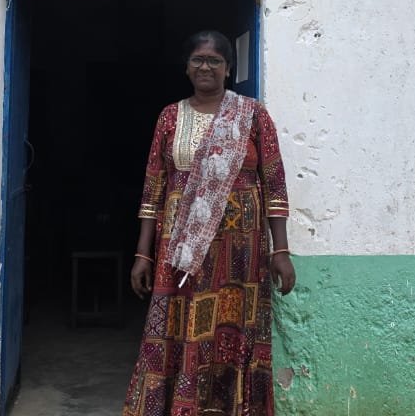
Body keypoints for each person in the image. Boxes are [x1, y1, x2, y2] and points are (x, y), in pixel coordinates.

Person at [122, 30, 295, 416]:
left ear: (228, 68)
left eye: (214, 60)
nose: (205, 67)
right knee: (180, 329)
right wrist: (143, 253)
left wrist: (280, 250)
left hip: (240, 256)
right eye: (198, 60)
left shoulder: (252, 115)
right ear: (186, 67)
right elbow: (153, 188)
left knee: (233, 329)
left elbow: (274, 183)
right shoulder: (170, 117)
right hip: (180, 252)